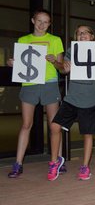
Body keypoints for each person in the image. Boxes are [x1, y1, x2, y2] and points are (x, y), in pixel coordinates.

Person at [7, 9, 65, 180]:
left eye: (46, 22)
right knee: (26, 124)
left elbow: (62, 67)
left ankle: (58, 160)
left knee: (54, 124)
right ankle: (18, 163)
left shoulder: (55, 40)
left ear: (49, 24)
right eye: (39, 21)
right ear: (33, 21)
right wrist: (13, 64)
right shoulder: (23, 40)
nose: (42, 25)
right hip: (30, 84)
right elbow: (22, 63)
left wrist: (55, 61)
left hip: (49, 84)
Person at [51, 25, 95, 181]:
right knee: (55, 126)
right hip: (71, 98)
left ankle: (85, 166)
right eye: (79, 33)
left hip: (89, 100)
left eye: (85, 32)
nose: (82, 35)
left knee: (87, 134)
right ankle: (54, 161)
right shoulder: (71, 51)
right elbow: (63, 70)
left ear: (92, 36)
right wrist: (60, 65)